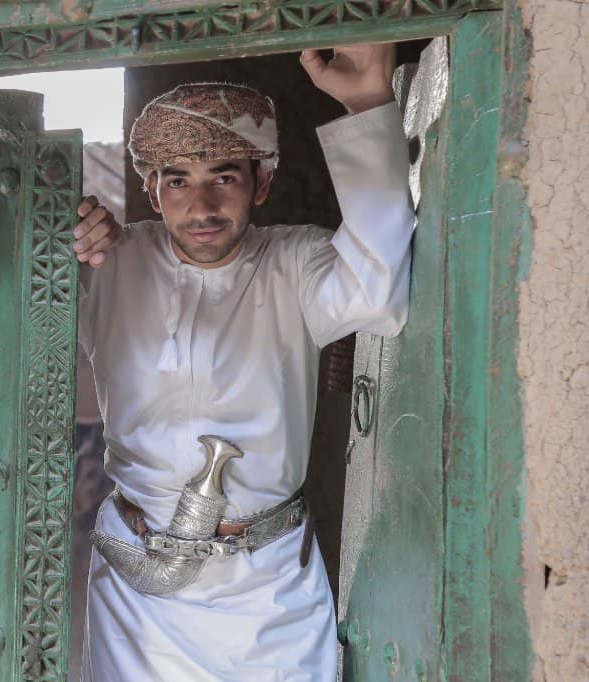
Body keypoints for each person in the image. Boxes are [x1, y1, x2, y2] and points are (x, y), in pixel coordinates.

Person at [71, 43, 413, 681]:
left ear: (263, 181)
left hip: (268, 588)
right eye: (178, 180)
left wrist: (368, 104)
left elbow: (378, 295)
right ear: (151, 189)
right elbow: (13, 305)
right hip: (138, 590)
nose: (201, 207)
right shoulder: (111, 265)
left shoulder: (297, 263)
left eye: (223, 178)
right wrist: (58, 235)